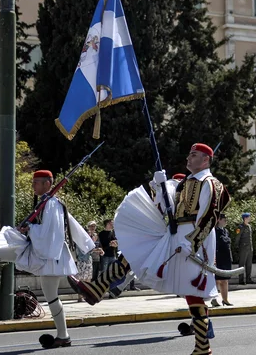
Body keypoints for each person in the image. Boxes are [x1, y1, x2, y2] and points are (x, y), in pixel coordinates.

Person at [68, 143, 231, 355]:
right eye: (189, 154)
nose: (188, 158)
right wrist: (160, 187)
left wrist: (192, 242)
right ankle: (97, 287)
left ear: (206, 160)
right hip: (175, 234)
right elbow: (165, 209)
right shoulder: (185, 183)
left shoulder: (211, 183)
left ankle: (203, 347)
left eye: (194, 155)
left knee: (193, 293)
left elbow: (209, 215)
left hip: (193, 240)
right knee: (137, 253)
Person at [0, 170, 94, 348]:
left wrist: (30, 228)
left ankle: (64, 336)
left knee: (51, 296)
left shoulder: (52, 204)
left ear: (47, 184)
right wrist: (29, 228)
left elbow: (50, 233)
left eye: (36, 183)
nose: (33, 186)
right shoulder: (47, 203)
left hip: (50, 255)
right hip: (44, 252)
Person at [212, 213, 233, 306]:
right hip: (218, 258)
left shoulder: (225, 231)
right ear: (218, 220)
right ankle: (214, 299)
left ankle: (225, 299)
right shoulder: (214, 231)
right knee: (217, 280)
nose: (226, 221)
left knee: (225, 279)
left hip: (226, 258)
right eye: (224, 219)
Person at [236, 212, 254, 285]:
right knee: (242, 264)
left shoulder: (249, 226)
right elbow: (237, 238)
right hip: (243, 248)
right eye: (249, 217)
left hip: (249, 248)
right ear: (245, 218)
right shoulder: (240, 227)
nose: (250, 218)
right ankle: (241, 280)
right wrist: (237, 247)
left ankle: (248, 279)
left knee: (249, 264)